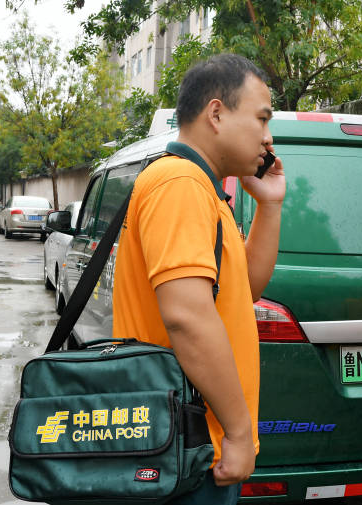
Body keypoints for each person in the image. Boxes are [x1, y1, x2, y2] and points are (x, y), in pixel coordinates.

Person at [112, 54, 285, 505]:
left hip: (191, 444)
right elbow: (187, 317)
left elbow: (245, 289)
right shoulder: (181, 184)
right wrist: (239, 430)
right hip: (184, 447)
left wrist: (270, 206)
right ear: (216, 113)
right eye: (262, 118)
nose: (269, 139)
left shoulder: (204, 190)